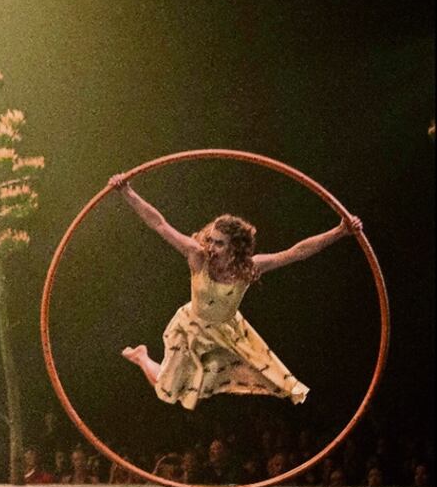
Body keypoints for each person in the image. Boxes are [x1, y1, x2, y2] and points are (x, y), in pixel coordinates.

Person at [110, 175, 361, 410]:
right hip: (191, 327)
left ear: (235, 248)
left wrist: (340, 231)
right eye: (211, 239)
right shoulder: (198, 256)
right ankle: (143, 357)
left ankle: (155, 362)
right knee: (167, 390)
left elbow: (296, 253)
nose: (211, 247)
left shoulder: (248, 268)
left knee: (268, 378)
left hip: (227, 331)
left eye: (219, 243)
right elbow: (159, 224)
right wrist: (127, 191)